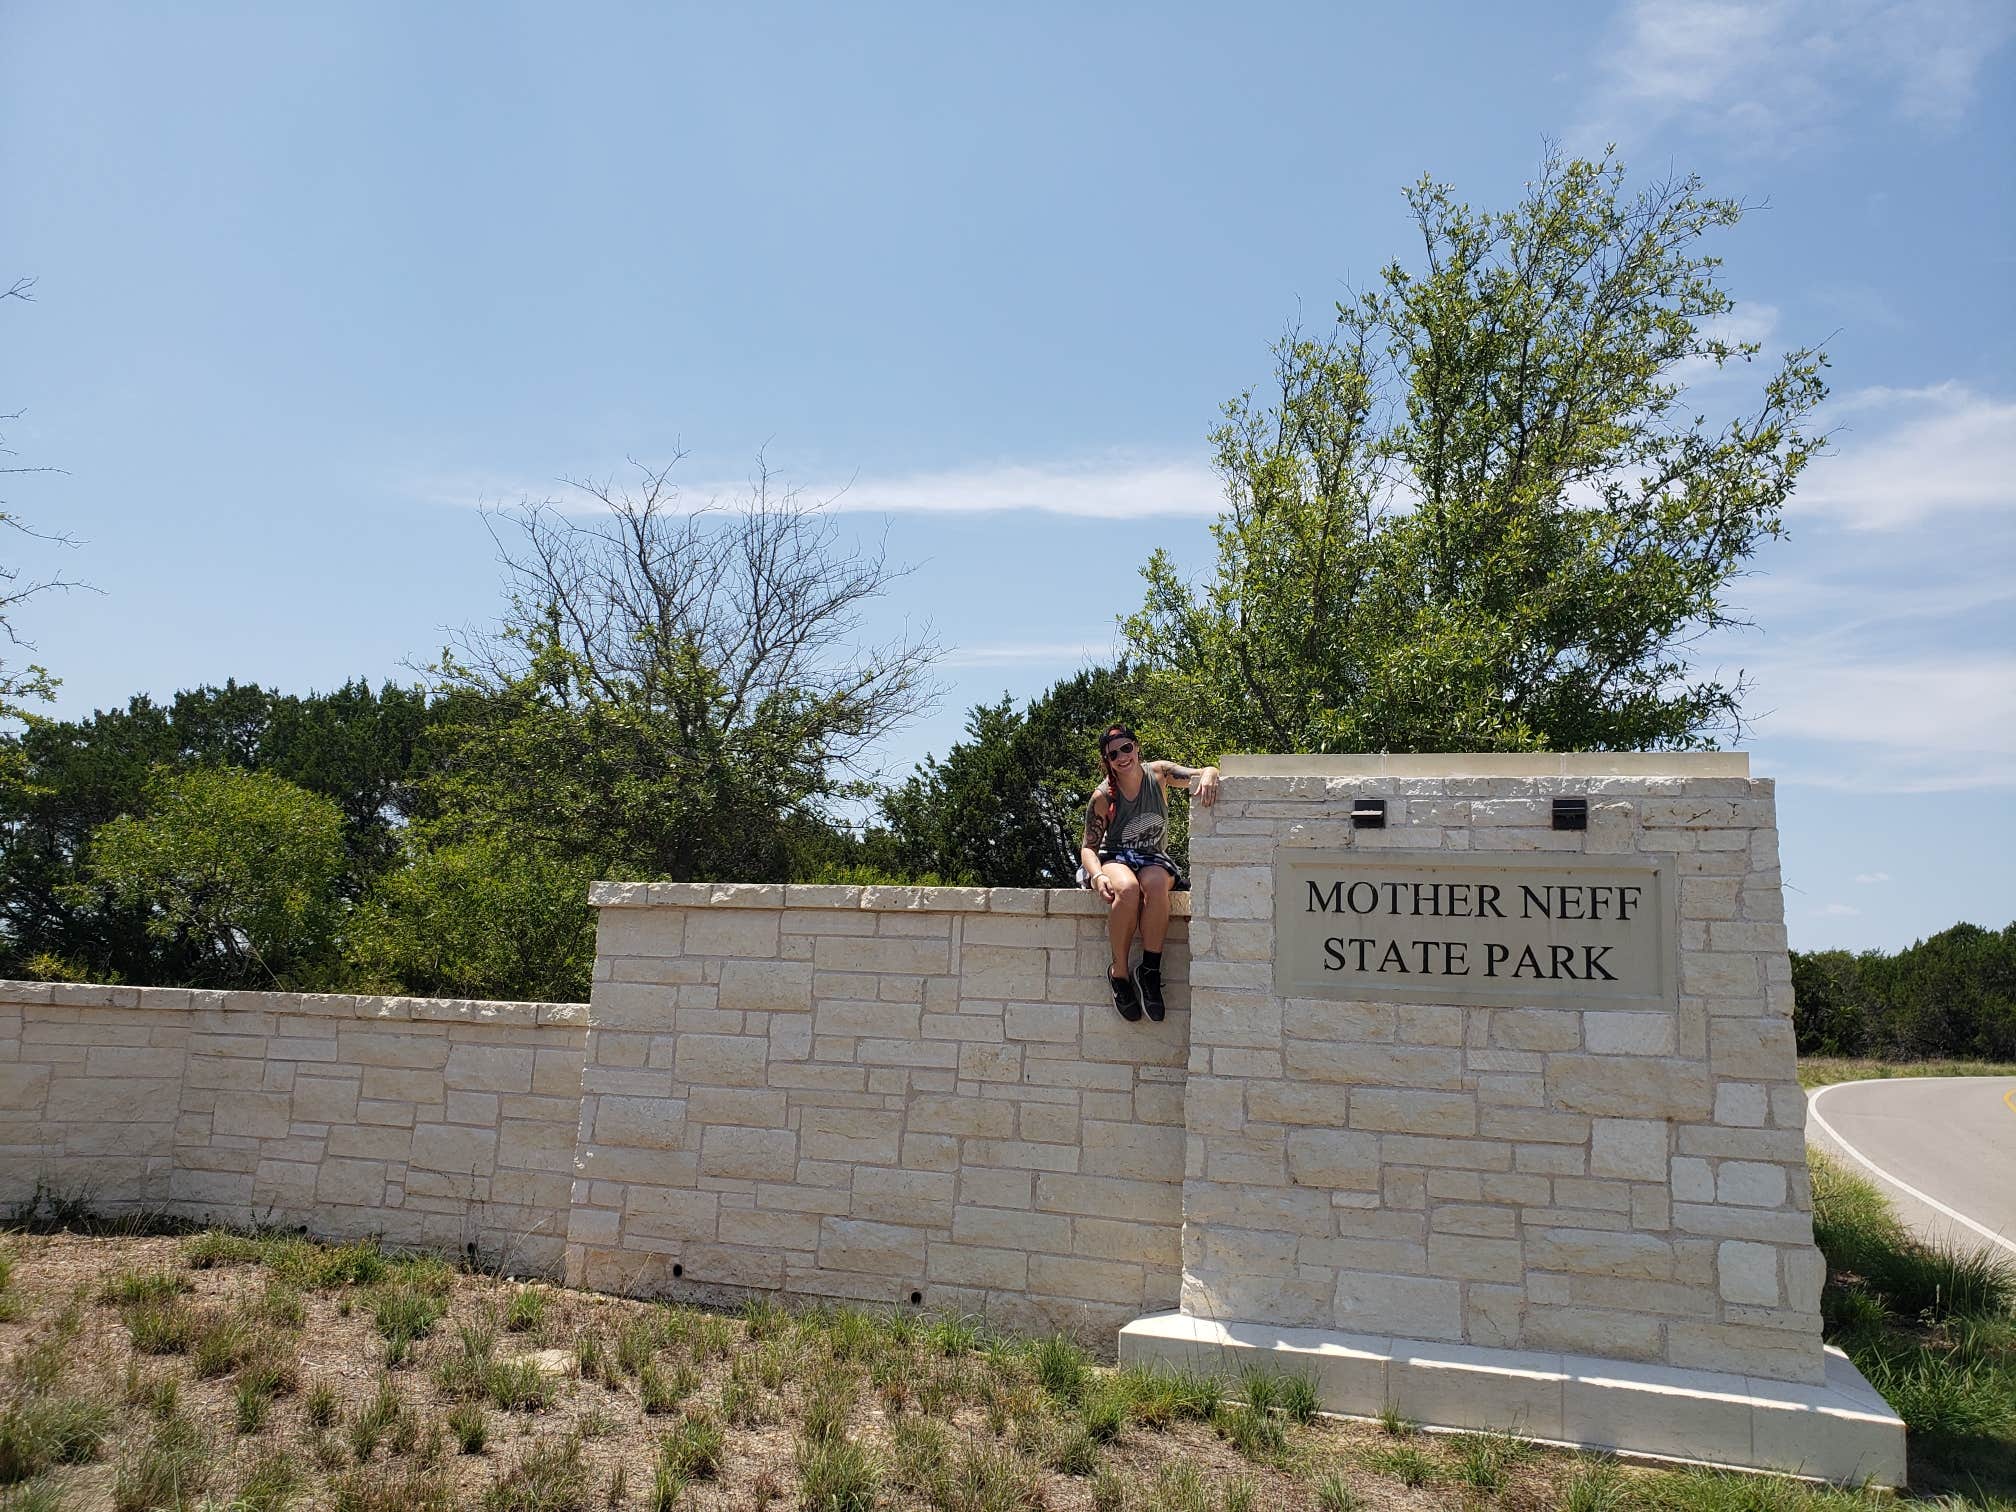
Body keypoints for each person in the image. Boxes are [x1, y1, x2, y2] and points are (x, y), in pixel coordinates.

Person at [1079, 723, 1219, 1021]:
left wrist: (1210, 771)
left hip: (1153, 857)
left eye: (1126, 748)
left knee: (1155, 886)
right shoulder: (1103, 796)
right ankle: (1119, 973)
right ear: (1108, 761)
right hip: (1116, 857)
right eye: (1113, 754)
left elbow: (1199, 773)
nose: (1122, 757)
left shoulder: (1159, 774)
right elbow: (1088, 847)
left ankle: (1150, 971)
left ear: (1136, 747)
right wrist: (1098, 875)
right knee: (1127, 890)